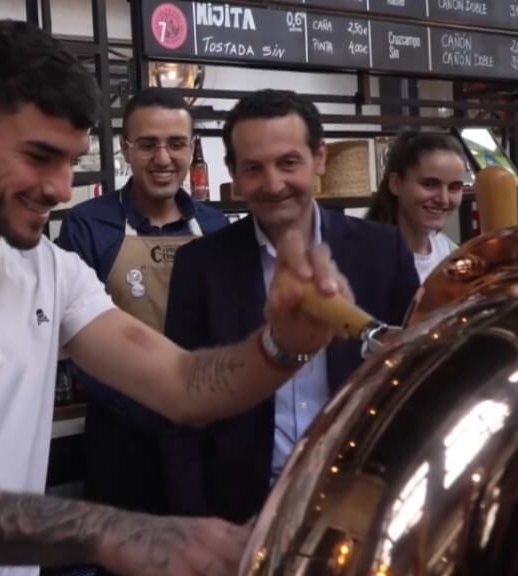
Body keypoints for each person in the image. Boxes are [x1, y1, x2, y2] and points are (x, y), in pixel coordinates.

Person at [0, 22, 352, 576]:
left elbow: (181, 383)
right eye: (39, 156)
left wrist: (282, 346)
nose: (61, 188)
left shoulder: (49, 270)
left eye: (71, 160)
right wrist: (114, 533)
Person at [162, 89, 420, 524]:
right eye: (254, 168)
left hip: (361, 503)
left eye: (288, 163)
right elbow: (180, 407)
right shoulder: (200, 265)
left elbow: (414, 383)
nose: (274, 184)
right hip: (243, 511)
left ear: (319, 158)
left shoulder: (383, 251)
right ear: (234, 174)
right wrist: (193, 521)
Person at [56, 88, 228, 518]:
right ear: (126, 150)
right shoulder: (87, 225)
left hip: (205, 435)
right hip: (120, 437)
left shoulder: (216, 226)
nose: (163, 158)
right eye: (148, 144)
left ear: (192, 149)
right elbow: (76, 342)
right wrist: (152, 409)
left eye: (175, 144)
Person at [366, 130, 467, 282]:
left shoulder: (447, 249)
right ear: (396, 184)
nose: (444, 199)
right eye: (429, 184)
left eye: (454, 187)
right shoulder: (367, 259)